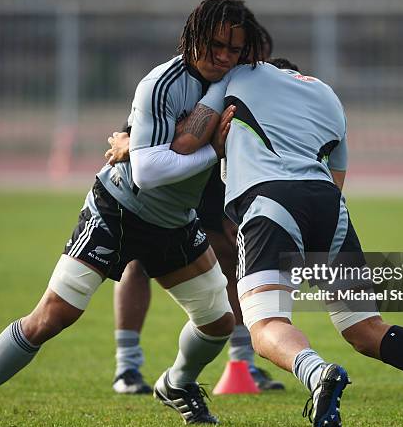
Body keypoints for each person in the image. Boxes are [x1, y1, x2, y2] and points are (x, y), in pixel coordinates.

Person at [0, 0, 264, 427]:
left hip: (175, 221)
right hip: (120, 209)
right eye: (215, 46)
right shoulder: (160, 84)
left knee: (218, 322)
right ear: (193, 39)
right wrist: (214, 150)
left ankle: (177, 384)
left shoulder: (242, 78)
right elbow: (147, 173)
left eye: (233, 49)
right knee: (54, 315)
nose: (223, 57)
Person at [174, 58, 403, 427]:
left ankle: (317, 374)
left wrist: (131, 145)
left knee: (264, 327)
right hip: (329, 207)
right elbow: (337, 177)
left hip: (270, 205)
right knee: (365, 328)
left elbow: (184, 143)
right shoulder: (325, 95)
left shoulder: (240, 81)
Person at [107, 25, 284, 396]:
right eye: (233, 51)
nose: (237, 59)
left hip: (227, 179)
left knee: (238, 260)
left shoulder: (272, 82)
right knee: (135, 262)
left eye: (244, 53)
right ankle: (127, 367)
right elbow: (143, 142)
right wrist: (127, 145)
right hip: (178, 185)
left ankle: (245, 363)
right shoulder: (182, 82)